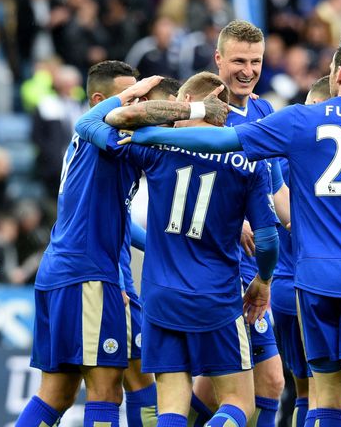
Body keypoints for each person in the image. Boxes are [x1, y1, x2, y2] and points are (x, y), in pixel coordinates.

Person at [123, 30, 341, 427]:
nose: (249, 70)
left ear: (338, 73)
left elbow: (225, 142)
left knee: (321, 400)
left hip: (312, 279)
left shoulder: (299, 119)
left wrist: (152, 134)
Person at [16, 62, 225, 427]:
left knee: (59, 393)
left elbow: (121, 221)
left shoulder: (102, 146)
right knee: (107, 389)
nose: (139, 103)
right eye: (131, 95)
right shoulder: (107, 136)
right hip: (89, 276)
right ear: (102, 101)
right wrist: (196, 110)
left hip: (70, 271)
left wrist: (157, 247)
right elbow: (93, 122)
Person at [75, 72, 279, 427]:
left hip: (160, 294)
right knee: (237, 403)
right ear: (224, 105)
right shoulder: (249, 160)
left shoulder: (155, 147)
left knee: (171, 407)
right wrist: (263, 281)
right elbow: (267, 240)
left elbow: (88, 124)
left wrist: (137, 97)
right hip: (216, 295)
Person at [189, 20, 288, 427]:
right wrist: (229, 218)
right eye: (238, 61)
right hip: (218, 266)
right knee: (257, 386)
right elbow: (182, 186)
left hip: (254, 266)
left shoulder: (265, 112)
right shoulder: (202, 113)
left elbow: (278, 193)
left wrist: (311, 226)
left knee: (237, 388)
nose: (247, 70)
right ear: (218, 60)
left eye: (255, 61)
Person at [268, 76, 332, 427]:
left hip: (281, 286)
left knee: (301, 391)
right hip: (318, 287)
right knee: (326, 393)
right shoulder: (336, 167)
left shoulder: (279, 158)